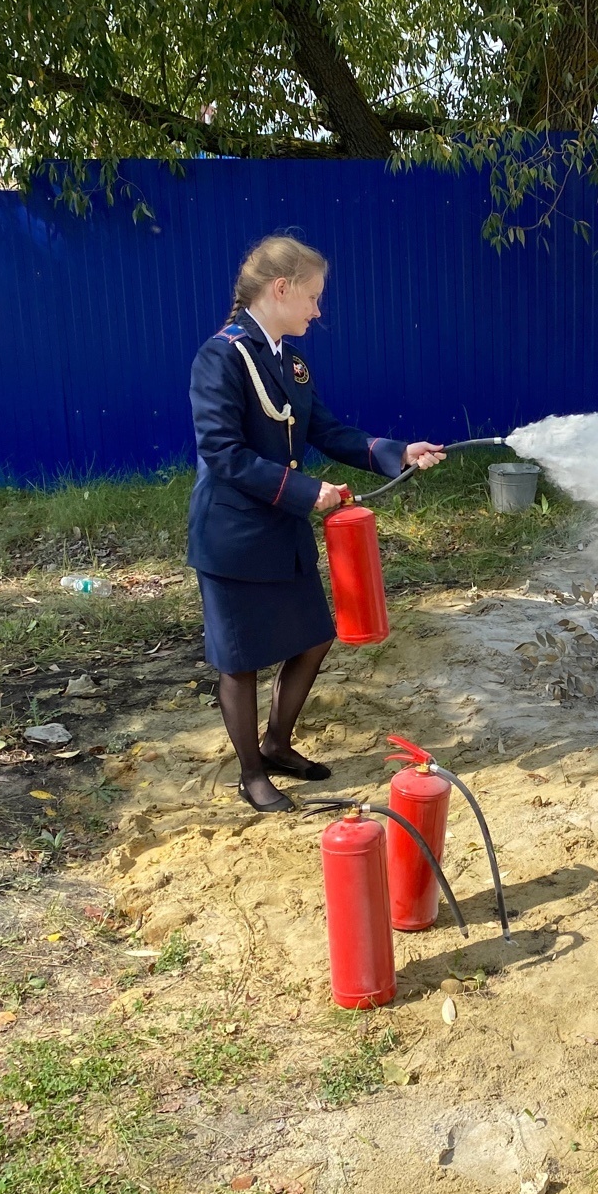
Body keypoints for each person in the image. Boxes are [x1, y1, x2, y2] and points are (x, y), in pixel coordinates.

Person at [188, 235, 444, 812]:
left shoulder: (291, 360)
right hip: (232, 535)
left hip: (282, 527)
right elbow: (222, 452)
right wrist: (307, 491)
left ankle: (277, 743)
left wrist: (397, 452)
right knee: (241, 659)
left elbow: (327, 432)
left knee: (313, 637)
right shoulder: (222, 356)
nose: (317, 310)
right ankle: (252, 775)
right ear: (281, 289)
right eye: (312, 296)